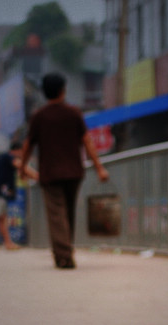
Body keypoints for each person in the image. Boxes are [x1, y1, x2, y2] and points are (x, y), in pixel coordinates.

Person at [19, 72, 109, 269]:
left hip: (50, 174)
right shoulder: (73, 113)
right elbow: (87, 142)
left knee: (57, 216)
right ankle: (65, 252)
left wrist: (22, 168)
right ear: (62, 90)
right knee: (67, 214)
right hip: (73, 172)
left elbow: (27, 145)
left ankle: (63, 255)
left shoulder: (39, 116)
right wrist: (99, 168)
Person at [0, 136, 37, 250]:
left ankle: (7, 243)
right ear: (17, 150)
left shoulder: (4, 158)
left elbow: (21, 171)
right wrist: (37, 176)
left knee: (2, 218)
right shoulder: (8, 157)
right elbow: (22, 167)